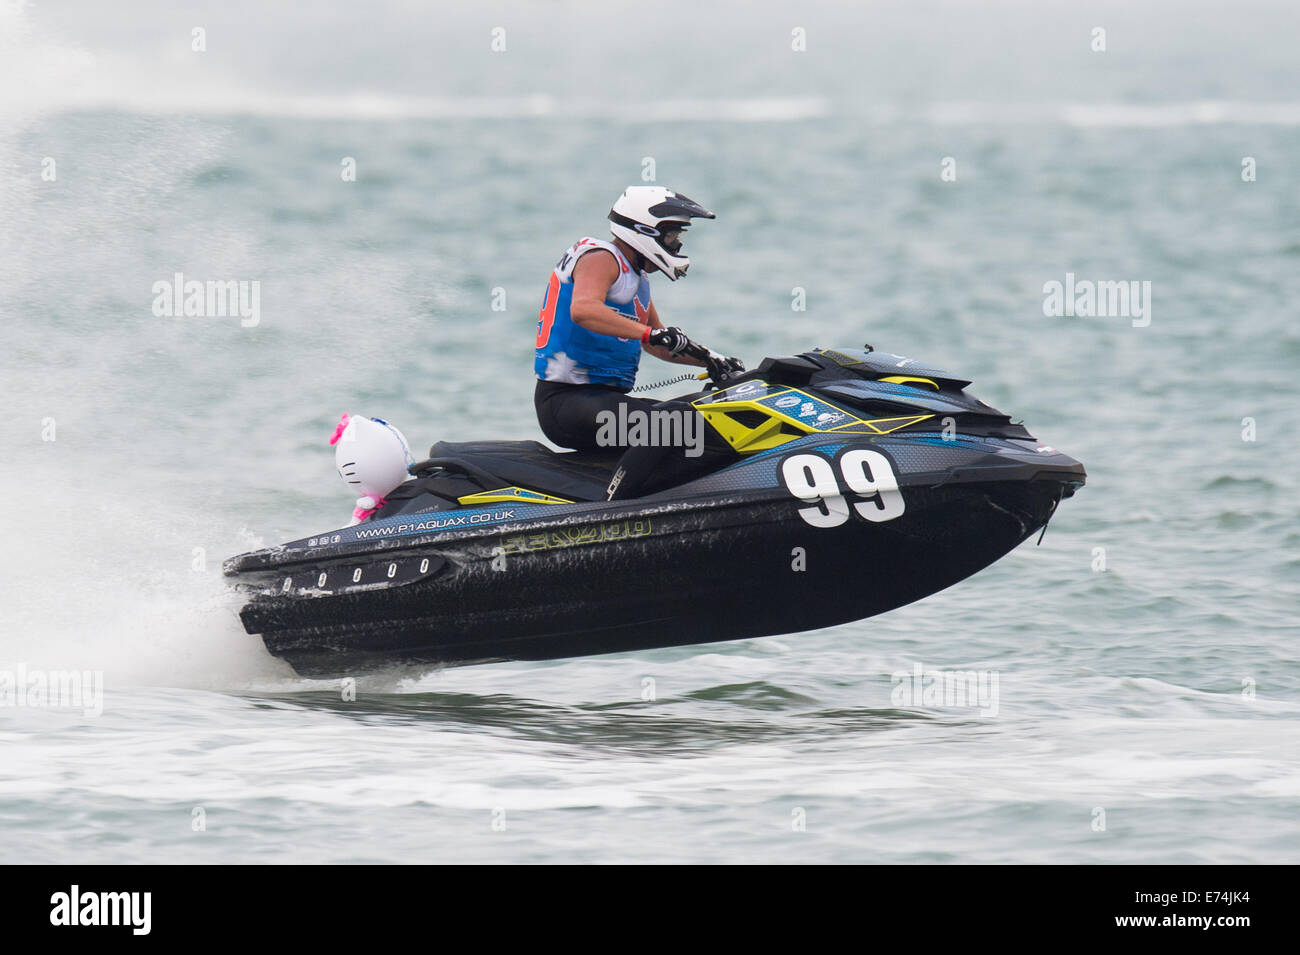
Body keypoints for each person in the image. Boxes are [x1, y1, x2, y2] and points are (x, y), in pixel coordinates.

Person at [533, 186, 742, 455]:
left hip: (603, 402)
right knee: (680, 429)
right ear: (645, 231)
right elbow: (583, 310)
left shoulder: (637, 278)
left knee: (704, 417)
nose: (676, 244)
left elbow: (658, 343)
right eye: (671, 236)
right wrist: (649, 334)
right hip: (566, 404)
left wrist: (713, 359)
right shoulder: (602, 258)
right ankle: (620, 497)